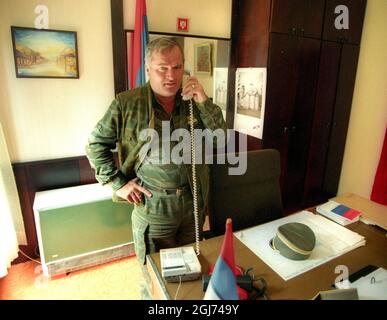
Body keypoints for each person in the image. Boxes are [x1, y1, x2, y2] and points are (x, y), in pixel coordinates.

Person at [85, 37, 227, 297]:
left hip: (192, 205)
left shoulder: (193, 101)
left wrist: (204, 100)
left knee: (192, 270)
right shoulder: (127, 103)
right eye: (162, 67)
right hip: (154, 207)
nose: (171, 75)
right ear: (148, 68)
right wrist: (118, 184)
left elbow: (221, 138)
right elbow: (96, 145)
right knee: (155, 278)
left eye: (177, 67)